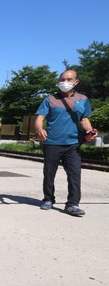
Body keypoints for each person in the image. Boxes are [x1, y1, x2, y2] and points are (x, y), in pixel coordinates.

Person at [34, 70, 97, 217]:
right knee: (49, 174)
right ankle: (48, 199)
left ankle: (73, 204)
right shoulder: (50, 99)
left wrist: (89, 131)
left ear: (76, 82)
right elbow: (39, 117)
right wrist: (39, 129)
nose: (65, 82)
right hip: (52, 143)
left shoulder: (83, 99)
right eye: (62, 79)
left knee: (75, 174)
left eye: (69, 79)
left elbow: (84, 119)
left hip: (73, 143)